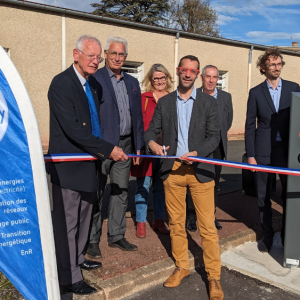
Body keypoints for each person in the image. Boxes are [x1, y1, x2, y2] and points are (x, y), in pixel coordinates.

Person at [48, 35, 127, 295]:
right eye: (90, 56)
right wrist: (108, 149)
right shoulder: (61, 84)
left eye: (97, 57)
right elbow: (73, 130)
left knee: (84, 219)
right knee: (67, 223)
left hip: (89, 164)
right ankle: (69, 277)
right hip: (69, 167)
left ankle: (78, 260)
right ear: (76, 54)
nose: (95, 61)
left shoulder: (92, 84)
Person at [145, 55, 224, 300]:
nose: (188, 74)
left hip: (200, 171)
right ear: (178, 71)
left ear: (198, 74)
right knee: (177, 224)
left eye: (193, 70)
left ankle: (214, 277)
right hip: (174, 171)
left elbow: (214, 137)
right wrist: (151, 144)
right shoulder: (166, 102)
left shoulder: (209, 103)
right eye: (184, 69)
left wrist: (198, 153)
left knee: (207, 227)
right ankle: (182, 267)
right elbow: (150, 130)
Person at [87, 36, 144, 257]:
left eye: (121, 54)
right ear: (106, 56)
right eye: (113, 53)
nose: (118, 58)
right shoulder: (95, 79)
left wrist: (138, 147)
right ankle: (92, 239)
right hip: (102, 147)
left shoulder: (132, 83)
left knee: (121, 191)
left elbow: (137, 117)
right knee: (97, 193)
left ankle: (116, 236)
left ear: (126, 57)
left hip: (126, 145)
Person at [245, 47, 300, 253]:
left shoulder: (294, 88)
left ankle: (287, 237)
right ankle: (267, 236)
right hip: (263, 152)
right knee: (262, 197)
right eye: (272, 64)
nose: (277, 68)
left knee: (289, 195)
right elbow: (250, 125)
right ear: (263, 68)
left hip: (287, 152)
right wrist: (250, 155)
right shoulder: (255, 92)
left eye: (279, 64)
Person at [186, 65, 233, 232]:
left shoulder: (226, 97)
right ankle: (191, 215)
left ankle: (210, 216)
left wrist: (215, 139)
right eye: (208, 77)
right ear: (202, 78)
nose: (211, 80)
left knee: (214, 183)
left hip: (217, 148)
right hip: (198, 147)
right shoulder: (193, 95)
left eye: (214, 77)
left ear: (218, 79)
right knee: (195, 181)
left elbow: (227, 122)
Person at [131, 64, 172, 238]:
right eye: (156, 78)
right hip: (147, 150)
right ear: (150, 80)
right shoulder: (144, 98)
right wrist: (138, 148)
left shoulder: (172, 98)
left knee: (160, 186)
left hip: (165, 150)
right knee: (143, 185)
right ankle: (141, 221)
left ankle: (158, 219)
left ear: (167, 78)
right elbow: (138, 125)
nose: (160, 81)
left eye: (163, 78)